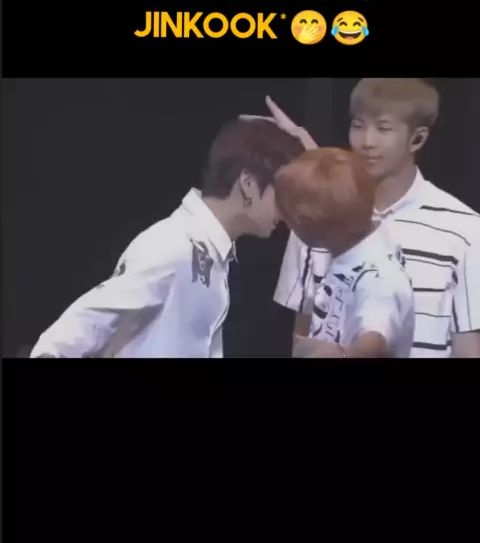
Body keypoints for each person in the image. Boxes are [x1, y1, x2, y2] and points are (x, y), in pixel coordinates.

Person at [29, 118, 304, 358]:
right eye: (282, 193)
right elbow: (88, 320)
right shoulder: (176, 244)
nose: (287, 209)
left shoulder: (211, 252)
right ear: (249, 184)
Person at [261, 79, 480, 359]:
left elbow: (467, 349)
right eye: (358, 125)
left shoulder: (464, 230)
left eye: (383, 128)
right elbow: (303, 339)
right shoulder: (316, 216)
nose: (367, 142)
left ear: (417, 138)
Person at [275, 147, 415, 358]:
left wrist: (340, 356)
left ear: (313, 226)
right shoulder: (347, 252)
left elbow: (374, 340)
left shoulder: (380, 278)